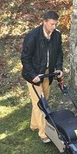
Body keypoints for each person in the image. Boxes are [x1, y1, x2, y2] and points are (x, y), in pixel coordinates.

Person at [21, 10, 64, 143]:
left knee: (42, 99)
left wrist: (59, 69)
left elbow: (58, 54)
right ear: (44, 22)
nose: (54, 27)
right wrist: (33, 75)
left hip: (48, 73)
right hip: (33, 75)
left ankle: (34, 125)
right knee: (41, 103)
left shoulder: (56, 35)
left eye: (55, 24)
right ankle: (44, 133)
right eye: (51, 24)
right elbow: (25, 58)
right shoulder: (33, 36)